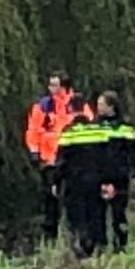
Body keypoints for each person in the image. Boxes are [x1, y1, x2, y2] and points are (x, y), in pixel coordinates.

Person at [24, 72, 91, 242]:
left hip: (72, 159)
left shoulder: (78, 104)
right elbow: (33, 130)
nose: (50, 89)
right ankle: (50, 235)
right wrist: (34, 151)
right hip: (49, 160)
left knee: (74, 198)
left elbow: (89, 124)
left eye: (54, 85)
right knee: (50, 200)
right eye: (50, 85)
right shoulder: (43, 106)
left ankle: (75, 234)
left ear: (64, 87)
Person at [53, 96, 111, 258]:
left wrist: (56, 181)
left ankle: (81, 241)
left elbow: (61, 161)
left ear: (70, 110)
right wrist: (107, 180)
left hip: (74, 181)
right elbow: (105, 159)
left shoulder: (68, 133)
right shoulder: (98, 131)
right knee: (95, 211)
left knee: (77, 213)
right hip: (95, 179)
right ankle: (96, 243)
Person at [95, 90, 135, 254]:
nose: (98, 107)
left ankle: (120, 245)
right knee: (98, 212)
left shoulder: (126, 129)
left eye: (102, 104)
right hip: (98, 175)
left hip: (119, 176)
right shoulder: (94, 127)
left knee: (118, 212)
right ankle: (99, 244)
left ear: (111, 106)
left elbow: (133, 154)